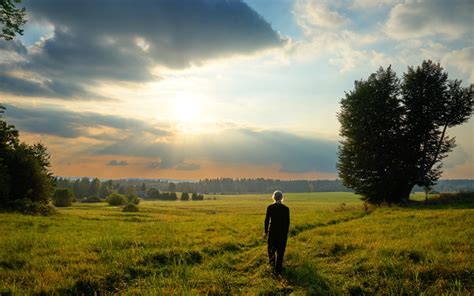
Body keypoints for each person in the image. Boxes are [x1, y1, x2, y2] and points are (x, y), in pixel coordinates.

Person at [264, 190, 290, 274]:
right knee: (280, 251)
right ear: (282, 198)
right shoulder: (286, 209)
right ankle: (279, 269)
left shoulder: (270, 207)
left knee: (271, 249)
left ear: (273, 197)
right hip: (282, 233)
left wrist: (266, 231)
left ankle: (272, 266)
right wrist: (286, 232)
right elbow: (287, 222)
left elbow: (267, 220)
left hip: (272, 231)